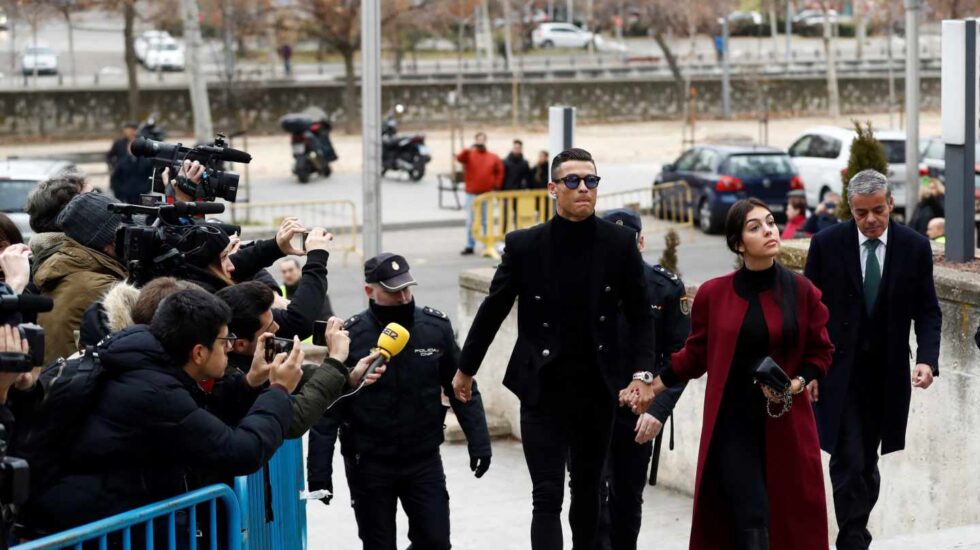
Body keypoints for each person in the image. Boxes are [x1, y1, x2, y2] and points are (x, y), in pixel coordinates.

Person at [452, 148, 655, 549]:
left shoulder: (619, 243)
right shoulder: (525, 245)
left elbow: (640, 314)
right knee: (546, 496)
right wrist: (465, 369)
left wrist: (642, 375)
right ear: (552, 188)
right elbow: (493, 309)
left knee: (588, 492)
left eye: (591, 181)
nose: (584, 188)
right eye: (573, 181)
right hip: (542, 389)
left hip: (597, 389)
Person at [641, 198, 834, 549]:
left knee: (789, 519)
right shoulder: (715, 294)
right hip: (732, 425)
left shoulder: (802, 291)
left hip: (786, 425)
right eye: (755, 227)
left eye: (771, 222)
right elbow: (695, 355)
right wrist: (654, 386)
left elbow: (820, 352)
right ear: (738, 243)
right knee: (751, 515)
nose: (769, 231)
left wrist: (796, 383)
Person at [24, 289, 301, 533]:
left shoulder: (147, 360)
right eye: (223, 339)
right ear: (198, 353)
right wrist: (278, 391)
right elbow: (240, 451)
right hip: (100, 529)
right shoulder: (154, 392)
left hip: (98, 520)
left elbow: (200, 413)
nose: (230, 346)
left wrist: (251, 381)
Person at [308, 253, 492, 550]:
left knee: (435, 541)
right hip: (368, 463)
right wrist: (319, 474)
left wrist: (479, 441)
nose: (404, 296)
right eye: (394, 290)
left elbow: (461, 387)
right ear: (370, 290)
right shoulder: (350, 337)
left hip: (423, 459)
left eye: (407, 287)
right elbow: (329, 408)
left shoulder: (435, 327)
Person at [804, 169, 942, 550]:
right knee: (846, 460)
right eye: (861, 213)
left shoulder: (914, 247)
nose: (870, 220)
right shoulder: (826, 244)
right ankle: (853, 541)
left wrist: (927, 360)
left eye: (878, 210)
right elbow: (808, 312)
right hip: (837, 374)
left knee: (866, 463)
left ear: (891, 204)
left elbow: (928, 310)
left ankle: (855, 531)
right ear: (850, 209)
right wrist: (809, 368)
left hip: (886, 376)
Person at [597, 208, 690, 550]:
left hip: (640, 412)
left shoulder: (664, 288)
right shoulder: (583, 285)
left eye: (628, 243)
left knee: (626, 499)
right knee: (591, 496)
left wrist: (658, 409)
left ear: (641, 241)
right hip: (592, 408)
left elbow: (681, 358)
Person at [214, 281, 383, 438]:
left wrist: (348, 376)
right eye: (269, 328)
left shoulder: (253, 355)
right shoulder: (220, 376)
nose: (278, 328)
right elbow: (292, 421)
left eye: (275, 319)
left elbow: (300, 375)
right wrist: (336, 360)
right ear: (240, 345)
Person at [34, 192, 127, 364]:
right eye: (124, 233)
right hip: (77, 386)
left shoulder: (69, 268)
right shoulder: (101, 287)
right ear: (108, 242)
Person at [456, 132, 504, 255]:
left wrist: (496, 185)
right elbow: (460, 158)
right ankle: (470, 245)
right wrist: (468, 149)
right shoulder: (469, 155)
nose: (480, 142)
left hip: (486, 194)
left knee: (486, 220)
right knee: (471, 220)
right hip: (471, 193)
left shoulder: (492, 156)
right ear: (475, 140)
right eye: (478, 139)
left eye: (482, 139)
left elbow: (500, 170)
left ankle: (486, 243)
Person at [106, 122, 152, 204]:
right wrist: (113, 166)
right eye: (128, 130)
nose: (130, 132)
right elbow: (109, 156)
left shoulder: (141, 141)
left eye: (133, 130)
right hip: (122, 173)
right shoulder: (119, 142)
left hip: (138, 175)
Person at [279, 256, 334, 322]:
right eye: (284, 272)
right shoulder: (278, 293)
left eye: (291, 270)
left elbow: (326, 314)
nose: (287, 275)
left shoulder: (314, 288)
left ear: (299, 270)